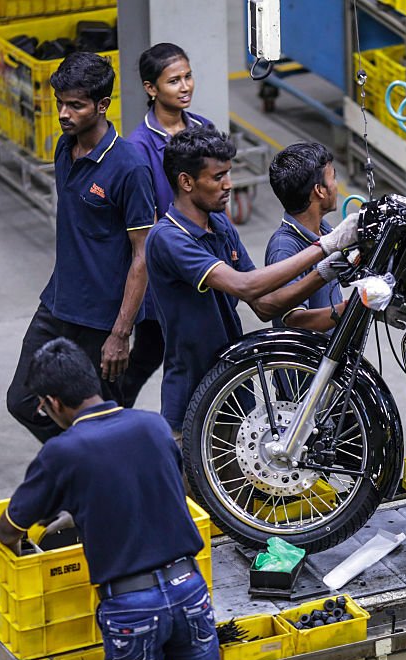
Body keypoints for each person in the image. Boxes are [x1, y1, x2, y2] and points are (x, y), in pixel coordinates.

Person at [0, 338, 220, 660]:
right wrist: (81, 512)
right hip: (189, 588)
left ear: (53, 403)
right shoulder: (154, 426)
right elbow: (160, 493)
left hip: (132, 608)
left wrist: (23, 545)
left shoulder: (62, 452)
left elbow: (9, 528)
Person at [145, 127, 357, 433]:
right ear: (186, 182)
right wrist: (325, 247)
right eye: (218, 177)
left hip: (233, 384)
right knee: (191, 479)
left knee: (243, 477)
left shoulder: (219, 224)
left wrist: (324, 272)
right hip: (192, 391)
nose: (229, 185)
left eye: (229, 174)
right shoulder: (168, 238)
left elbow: (264, 304)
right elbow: (244, 286)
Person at [6, 52, 156, 442]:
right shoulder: (64, 148)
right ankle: (83, 463)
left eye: (76, 105)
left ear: (103, 105)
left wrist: (120, 333)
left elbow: (143, 255)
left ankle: (104, 479)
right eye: (60, 103)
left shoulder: (130, 167)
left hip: (99, 321)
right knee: (23, 400)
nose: (64, 113)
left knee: (99, 420)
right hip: (57, 304)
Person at [122, 43, 214, 407]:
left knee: (199, 356)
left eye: (187, 77)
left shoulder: (204, 129)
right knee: (155, 353)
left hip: (205, 259)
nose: (185, 86)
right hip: (167, 268)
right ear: (151, 89)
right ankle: (115, 415)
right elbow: (147, 221)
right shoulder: (139, 148)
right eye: (174, 80)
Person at [265, 142, 348, 331]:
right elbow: (295, 320)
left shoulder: (326, 231)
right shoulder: (284, 248)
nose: (336, 186)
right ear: (319, 190)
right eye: (333, 178)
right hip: (313, 358)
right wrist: (351, 309)